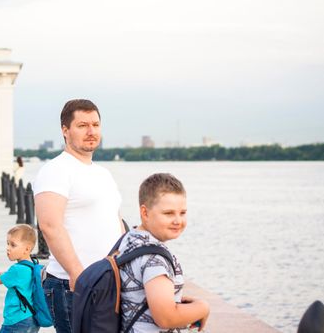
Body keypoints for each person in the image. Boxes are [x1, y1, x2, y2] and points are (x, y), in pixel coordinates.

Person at [33, 99, 124, 332]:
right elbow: (49, 225)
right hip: (71, 284)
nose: (91, 131)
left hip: (107, 282)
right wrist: (77, 273)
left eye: (95, 124)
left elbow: (117, 224)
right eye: (83, 125)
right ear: (65, 130)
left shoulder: (103, 174)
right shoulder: (56, 170)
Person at [117, 173, 209, 332]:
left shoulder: (130, 239)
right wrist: (203, 308)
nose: (178, 221)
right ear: (145, 213)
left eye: (182, 212)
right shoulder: (154, 259)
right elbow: (166, 318)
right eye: (168, 213)